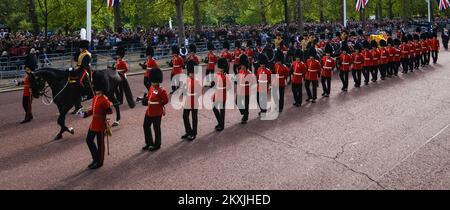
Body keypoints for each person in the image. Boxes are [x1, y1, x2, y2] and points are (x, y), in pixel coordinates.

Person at [80, 75, 113, 170]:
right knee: (89, 140)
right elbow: (93, 110)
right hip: (93, 123)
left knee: (100, 144)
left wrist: (108, 106)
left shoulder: (104, 99)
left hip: (101, 124)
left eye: (98, 89)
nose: (96, 90)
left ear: (102, 89)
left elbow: (110, 111)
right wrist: (85, 114)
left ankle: (100, 162)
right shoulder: (95, 97)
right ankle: (95, 159)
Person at [142, 68, 169, 151]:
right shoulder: (151, 87)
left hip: (157, 112)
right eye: (152, 81)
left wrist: (159, 104)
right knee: (146, 126)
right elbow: (149, 96)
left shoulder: (161, 90)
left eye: (154, 81)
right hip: (149, 110)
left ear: (158, 81)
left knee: (156, 128)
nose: (152, 83)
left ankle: (157, 144)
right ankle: (149, 143)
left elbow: (166, 100)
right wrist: (144, 99)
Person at [70, 40, 92, 114]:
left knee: (80, 81)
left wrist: (77, 68)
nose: (80, 49)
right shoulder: (81, 53)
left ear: (84, 48)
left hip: (85, 70)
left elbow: (84, 65)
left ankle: (85, 94)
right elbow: (77, 60)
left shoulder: (87, 54)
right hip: (79, 69)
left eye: (81, 47)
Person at [182, 60, 201, 141]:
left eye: (192, 73)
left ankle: (194, 133)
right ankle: (188, 131)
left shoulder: (197, 81)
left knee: (194, 117)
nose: (191, 75)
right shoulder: (187, 79)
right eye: (190, 73)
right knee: (185, 116)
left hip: (194, 101)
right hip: (187, 101)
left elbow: (199, 92)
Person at [18, 48, 37, 124]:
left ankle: (27, 117)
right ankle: (30, 115)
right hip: (26, 91)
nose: (25, 69)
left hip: (29, 91)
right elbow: (26, 81)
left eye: (26, 68)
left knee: (27, 105)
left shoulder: (31, 74)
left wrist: (29, 88)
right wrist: (20, 83)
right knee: (25, 104)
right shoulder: (29, 73)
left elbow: (32, 83)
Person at [114, 46, 135, 113]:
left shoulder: (122, 62)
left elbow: (126, 69)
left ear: (120, 56)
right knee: (120, 89)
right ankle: (120, 101)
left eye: (118, 55)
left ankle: (131, 103)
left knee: (126, 90)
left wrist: (120, 72)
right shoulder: (118, 61)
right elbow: (116, 67)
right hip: (117, 76)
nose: (117, 56)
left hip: (122, 77)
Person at [212, 58, 230, 131]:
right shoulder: (217, 74)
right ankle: (220, 122)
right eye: (219, 67)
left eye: (221, 68)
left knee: (222, 110)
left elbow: (229, 86)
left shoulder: (226, 76)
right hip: (217, 93)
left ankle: (221, 125)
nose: (219, 69)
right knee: (214, 108)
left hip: (222, 93)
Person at [237, 54, 255, 124]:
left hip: (247, 91)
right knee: (237, 102)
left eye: (243, 66)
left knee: (246, 104)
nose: (242, 67)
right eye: (241, 65)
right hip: (240, 90)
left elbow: (253, 83)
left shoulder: (249, 73)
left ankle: (245, 117)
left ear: (246, 65)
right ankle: (244, 113)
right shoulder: (240, 71)